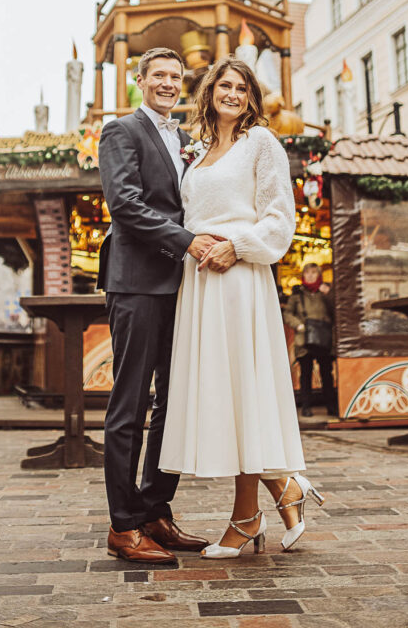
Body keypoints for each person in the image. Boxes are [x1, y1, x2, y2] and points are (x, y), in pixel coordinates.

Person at [159, 57, 323, 557]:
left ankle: (246, 515)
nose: (231, 93)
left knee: (243, 392)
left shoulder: (262, 143)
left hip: (239, 277)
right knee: (223, 395)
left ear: (251, 97)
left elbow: (280, 216)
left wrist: (238, 247)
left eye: (241, 87)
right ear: (209, 92)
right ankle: (282, 490)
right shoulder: (200, 150)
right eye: (223, 85)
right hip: (201, 281)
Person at [98, 46, 222, 565]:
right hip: (138, 281)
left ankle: (155, 511)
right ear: (141, 80)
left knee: (173, 403)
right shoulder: (122, 130)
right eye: (160, 76)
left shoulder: (187, 139)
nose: (169, 83)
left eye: (176, 76)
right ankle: (123, 526)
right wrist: (188, 241)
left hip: (182, 286)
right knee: (129, 404)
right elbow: (125, 204)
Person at [283, 262, 336, 418]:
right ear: (303, 275)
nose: (311, 275)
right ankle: (306, 406)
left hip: (324, 337)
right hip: (304, 338)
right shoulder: (297, 295)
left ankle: (331, 406)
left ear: (319, 275)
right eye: (308, 272)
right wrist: (298, 325)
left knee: (327, 373)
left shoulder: (325, 293)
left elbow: (336, 310)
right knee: (305, 373)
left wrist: (329, 294)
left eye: (314, 272)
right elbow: (287, 314)